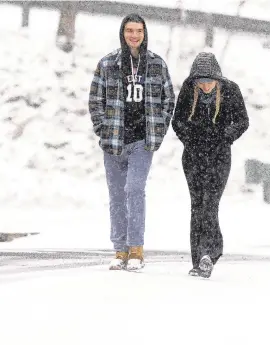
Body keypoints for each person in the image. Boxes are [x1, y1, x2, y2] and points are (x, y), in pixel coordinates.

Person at [88, 14, 175, 271]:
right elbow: (95, 99)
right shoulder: (107, 63)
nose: (134, 35)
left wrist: (158, 131)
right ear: (122, 33)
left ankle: (136, 248)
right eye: (129, 30)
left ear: (144, 33)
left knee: (134, 190)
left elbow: (169, 99)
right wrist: (102, 129)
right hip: (113, 140)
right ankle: (120, 249)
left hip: (142, 140)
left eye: (138, 30)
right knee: (116, 194)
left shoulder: (156, 64)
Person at [172, 52, 249, 278]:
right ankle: (199, 260)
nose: (205, 86)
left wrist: (225, 136)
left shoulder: (231, 91)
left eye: (209, 82)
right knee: (197, 205)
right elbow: (177, 121)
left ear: (217, 79)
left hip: (219, 156)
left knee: (210, 203)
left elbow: (243, 121)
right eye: (201, 82)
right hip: (193, 156)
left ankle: (210, 252)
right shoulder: (188, 91)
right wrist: (190, 137)